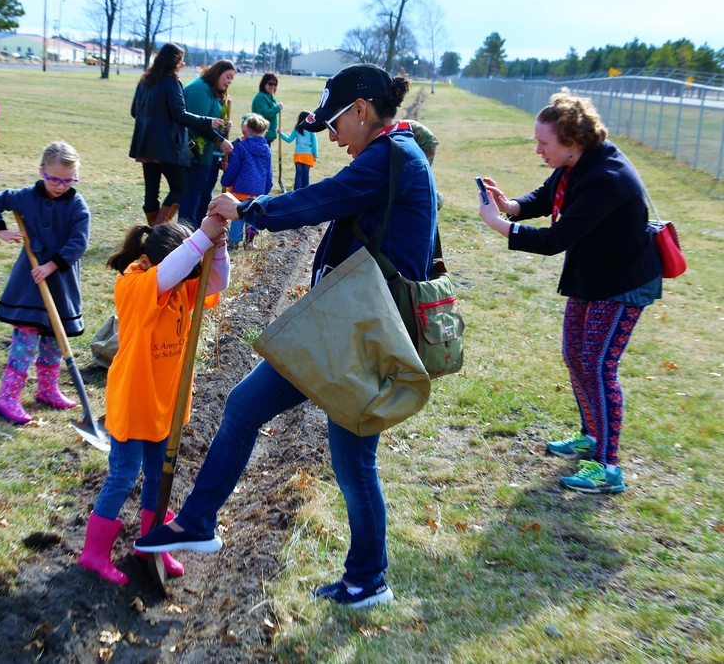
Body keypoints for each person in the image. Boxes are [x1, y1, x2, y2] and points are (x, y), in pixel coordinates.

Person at [135, 64, 438, 608]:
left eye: (336, 124)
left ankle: (203, 524)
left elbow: (317, 201)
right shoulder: (397, 154)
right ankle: (361, 576)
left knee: (284, 425)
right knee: (314, 440)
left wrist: (249, 208)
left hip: (352, 333)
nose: (333, 137)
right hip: (350, 328)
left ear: (362, 111)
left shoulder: (390, 156)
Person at [476, 90, 662, 495]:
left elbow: (554, 239)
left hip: (623, 282)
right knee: (574, 354)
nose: (539, 150)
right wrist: (509, 205)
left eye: (545, 143)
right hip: (593, 275)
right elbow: (545, 198)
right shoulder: (576, 162)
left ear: (572, 142)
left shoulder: (607, 178)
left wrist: (498, 225)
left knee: (598, 365)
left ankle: (608, 466)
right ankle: (591, 436)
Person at [77, 216, 231, 585]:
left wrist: (219, 246)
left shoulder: (178, 284)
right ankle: (93, 553)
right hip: (134, 398)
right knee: (124, 475)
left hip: (168, 401)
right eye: (183, 267)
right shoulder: (135, 283)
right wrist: (201, 237)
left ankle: (151, 544)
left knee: (159, 478)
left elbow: (217, 280)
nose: (188, 278)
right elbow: (175, 269)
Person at [0, 141, 91, 424]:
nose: (59, 185)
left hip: (60, 282)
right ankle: (7, 396)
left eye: (68, 180)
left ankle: (47, 389)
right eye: (53, 178)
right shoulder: (26, 197)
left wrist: (52, 265)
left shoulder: (78, 206)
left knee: (55, 337)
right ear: (41, 171)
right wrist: (0, 230)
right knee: (26, 336)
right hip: (30, 283)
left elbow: (78, 243)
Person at [129, 43, 225, 226]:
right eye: (181, 61)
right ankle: (156, 230)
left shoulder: (144, 81)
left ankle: (153, 230)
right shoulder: (171, 82)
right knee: (180, 188)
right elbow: (179, 114)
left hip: (145, 145)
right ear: (173, 62)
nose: (182, 65)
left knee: (151, 192)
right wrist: (207, 121)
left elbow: (135, 111)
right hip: (166, 147)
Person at [179, 60, 236, 229]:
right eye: (228, 77)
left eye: (232, 79)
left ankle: (199, 235)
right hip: (194, 153)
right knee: (192, 196)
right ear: (217, 72)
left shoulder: (214, 92)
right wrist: (220, 141)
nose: (229, 82)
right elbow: (198, 123)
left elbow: (213, 121)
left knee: (204, 196)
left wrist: (224, 128)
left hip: (209, 156)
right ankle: (187, 235)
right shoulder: (199, 89)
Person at [220, 113, 272, 249]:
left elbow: (234, 168)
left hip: (240, 189)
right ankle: (249, 242)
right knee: (252, 217)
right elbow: (268, 172)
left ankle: (234, 242)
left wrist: (225, 181)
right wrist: (266, 189)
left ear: (248, 128)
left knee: (238, 216)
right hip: (257, 191)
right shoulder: (266, 150)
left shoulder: (241, 147)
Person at [278, 110, 319, 190]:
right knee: (306, 174)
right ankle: (305, 190)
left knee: (298, 174)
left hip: (298, 154)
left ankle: (296, 191)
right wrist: (316, 155)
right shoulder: (311, 130)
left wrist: (280, 133)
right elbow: (314, 144)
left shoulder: (297, 129)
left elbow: (289, 139)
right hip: (308, 155)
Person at [251, 73, 283, 146]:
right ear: (264, 84)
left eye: (275, 84)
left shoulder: (270, 97)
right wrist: (277, 108)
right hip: (261, 134)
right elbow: (265, 114)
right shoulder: (261, 97)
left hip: (268, 134)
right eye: (270, 84)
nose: (273, 86)